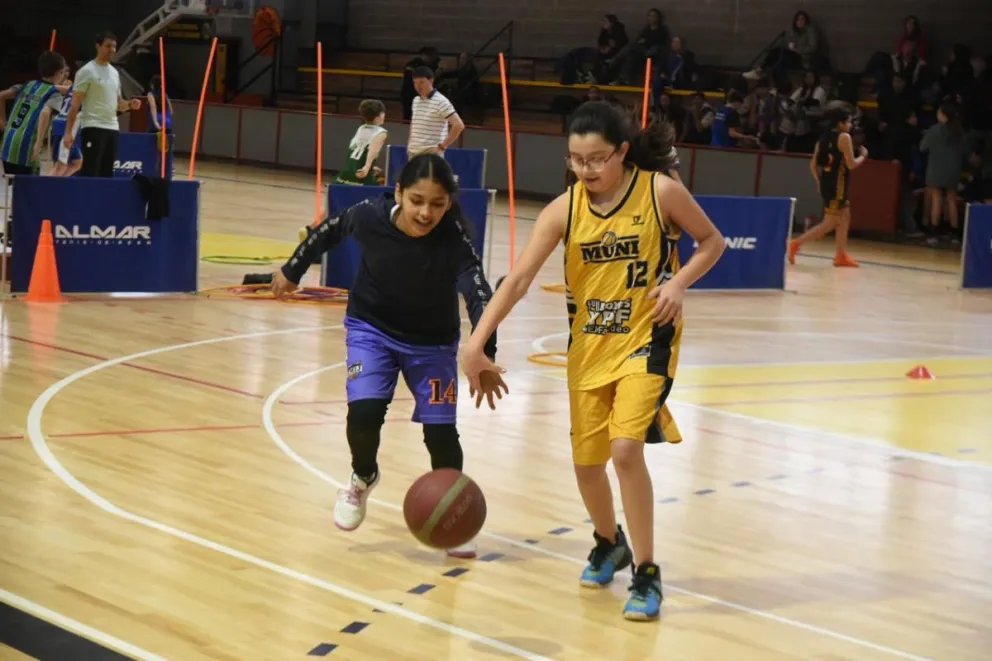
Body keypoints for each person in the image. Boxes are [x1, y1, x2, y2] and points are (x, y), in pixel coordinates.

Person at [459, 101, 725, 621]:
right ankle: (609, 542)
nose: (586, 169)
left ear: (622, 152)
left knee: (625, 451)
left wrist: (677, 283)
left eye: (597, 159)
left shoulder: (659, 191)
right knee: (587, 465)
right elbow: (517, 280)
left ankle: (647, 572)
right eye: (576, 159)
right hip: (589, 346)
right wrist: (476, 342)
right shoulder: (565, 208)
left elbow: (712, 241)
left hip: (649, 338)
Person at [272, 154, 506, 559]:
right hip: (371, 329)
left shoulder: (452, 238)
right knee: (363, 414)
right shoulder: (369, 215)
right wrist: (294, 268)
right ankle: (363, 477)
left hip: (432, 344)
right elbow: (330, 228)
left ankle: (454, 514)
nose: (425, 212)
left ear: (448, 203)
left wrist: (485, 351)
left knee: (441, 435)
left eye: (437, 203)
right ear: (398, 193)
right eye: (417, 200)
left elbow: (479, 291)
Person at [788, 106, 866, 266]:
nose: (850, 125)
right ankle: (795, 244)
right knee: (831, 222)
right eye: (848, 121)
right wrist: (863, 156)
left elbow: (813, 165)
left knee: (845, 216)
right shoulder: (844, 137)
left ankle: (840, 254)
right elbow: (851, 164)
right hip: (838, 185)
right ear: (840, 123)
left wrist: (819, 183)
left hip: (828, 182)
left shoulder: (823, 138)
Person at [62, 31, 142, 177]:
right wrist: (68, 133)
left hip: (112, 129)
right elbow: (75, 105)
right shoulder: (86, 71)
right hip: (92, 127)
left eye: (114, 46)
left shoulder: (114, 73)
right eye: (108, 46)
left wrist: (130, 104)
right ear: (98, 46)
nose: (112, 50)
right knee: (90, 172)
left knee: (107, 174)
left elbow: (118, 104)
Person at [0, 50, 67, 177]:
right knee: (29, 186)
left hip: (8, 143)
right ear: (60, 72)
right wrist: (38, 143)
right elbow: (45, 113)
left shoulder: (26, 85)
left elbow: (1, 95)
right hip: (27, 146)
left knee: (14, 184)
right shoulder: (54, 94)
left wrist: (2, 120)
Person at [407, 67, 464, 158]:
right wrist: (410, 143)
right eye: (415, 83)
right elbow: (414, 123)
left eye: (421, 82)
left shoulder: (441, 101)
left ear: (431, 81)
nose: (418, 86)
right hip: (413, 152)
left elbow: (458, 125)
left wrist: (442, 146)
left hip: (430, 154)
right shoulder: (416, 100)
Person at [336, 99, 388, 186]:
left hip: (346, 172)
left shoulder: (361, 128)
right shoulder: (381, 132)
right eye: (383, 112)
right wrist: (367, 167)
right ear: (378, 117)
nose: (384, 114)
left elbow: (357, 151)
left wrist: (371, 167)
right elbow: (372, 150)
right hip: (361, 175)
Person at [51, 64, 84, 177]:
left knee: (77, 162)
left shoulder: (73, 86)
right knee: (59, 166)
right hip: (66, 125)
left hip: (60, 122)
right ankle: (45, 186)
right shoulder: (87, 88)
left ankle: (59, 183)